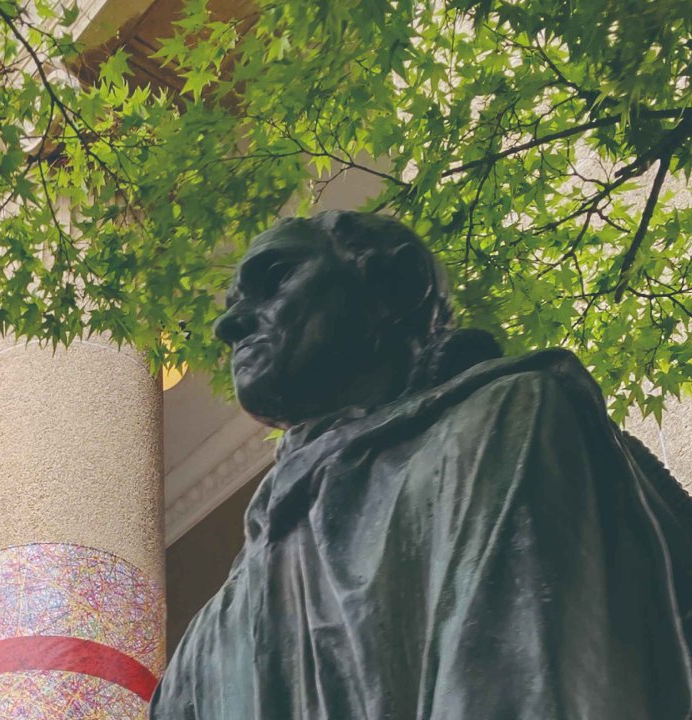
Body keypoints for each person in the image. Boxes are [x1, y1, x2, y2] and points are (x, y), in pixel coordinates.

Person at [150, 211, 692, 719]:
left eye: (276, 277)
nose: (230, 323)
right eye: (234, 301)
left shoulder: (503, 422)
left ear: (400, 284)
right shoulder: (202, 650)